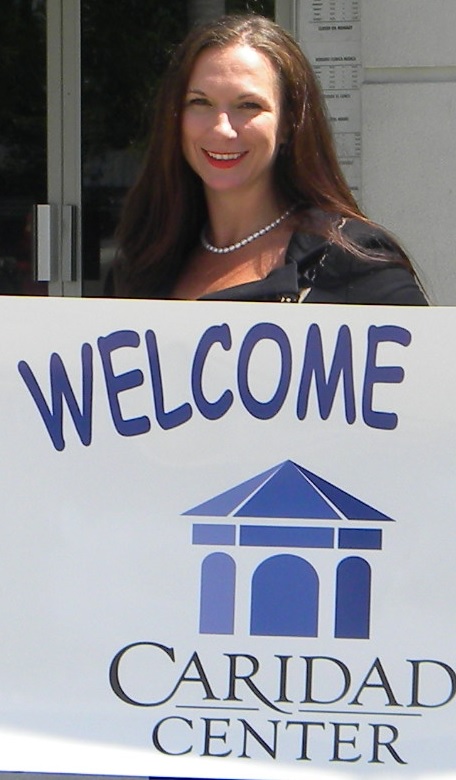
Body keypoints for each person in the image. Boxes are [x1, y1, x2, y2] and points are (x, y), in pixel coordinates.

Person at [111, 13, 427, 305]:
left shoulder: (354, 262)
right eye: (200, 102)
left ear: (289, 123)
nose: (222, 129)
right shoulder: (142, 263)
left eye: (248, 105)